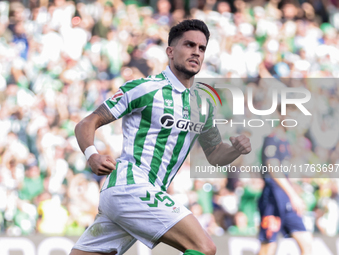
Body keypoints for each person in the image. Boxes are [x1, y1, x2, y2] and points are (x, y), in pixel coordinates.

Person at [70, 19, 251, 255]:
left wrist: (235, 149)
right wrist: (92, 155)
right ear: (170, 51)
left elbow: (216, 155)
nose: (196, 52)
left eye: (202, 48)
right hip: (131, 186)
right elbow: (87, 123)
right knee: (204, 248)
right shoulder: (145, 89)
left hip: (141, 195)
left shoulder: (203, 103)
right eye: (189, 45)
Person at [258, 106, 312, 255]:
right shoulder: (272, 139)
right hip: (273, 199)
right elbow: (273, 170)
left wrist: (294, 189)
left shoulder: (286, 142)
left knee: (306, 241)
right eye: (291, 115)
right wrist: (293, 195)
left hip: (286, 199)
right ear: (282, 115)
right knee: (268, 247)